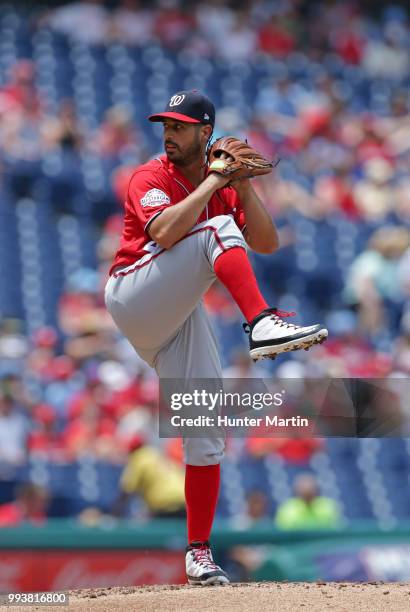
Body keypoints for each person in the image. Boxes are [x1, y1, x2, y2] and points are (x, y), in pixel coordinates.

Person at [104, 90, 328, 585]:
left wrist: (243, 185)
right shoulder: (151, 175)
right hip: (134, 296)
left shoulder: (223, 185)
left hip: (178, 320)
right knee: (215, 230)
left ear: (206, 132)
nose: (169, 133)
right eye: (166, 124)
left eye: (180, 126)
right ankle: (261, 322)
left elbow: (267, 243)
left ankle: (198, 553)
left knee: (205, 430)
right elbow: (163, 234)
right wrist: (213, 182)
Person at [275, 473, 340, 530]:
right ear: (297, 491)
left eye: (311, 491)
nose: (308, 494)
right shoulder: (287, 508)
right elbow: (284, 532)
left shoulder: (328, 506)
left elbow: (336, 528)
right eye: (304, 493)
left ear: (317, 491)